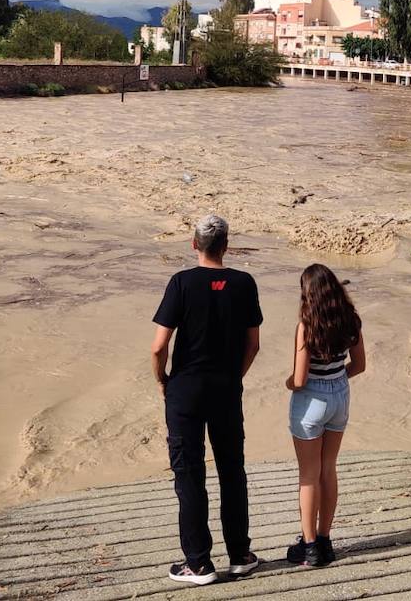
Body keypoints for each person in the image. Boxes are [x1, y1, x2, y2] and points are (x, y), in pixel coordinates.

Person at [150, 214, 263, 585]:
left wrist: (164, 382)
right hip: (226, 390)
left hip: (186, 390)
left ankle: (198, 563)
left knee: (190, 475)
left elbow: (158, 348)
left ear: (193, 244)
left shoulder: (181, 283)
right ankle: (240, 555)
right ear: (226, 245)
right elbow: (253, 345)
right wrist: (235, 377)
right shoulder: (244, 283)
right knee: (232, 471)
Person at [285, 264, 367, 569]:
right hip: (339, 397)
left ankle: (309, 548)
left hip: (311, 401)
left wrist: (287, 383)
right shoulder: (351, 320)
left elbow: (301, 377)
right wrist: (336, 378)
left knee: (308, 475)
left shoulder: (307, 325)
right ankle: (324, 540)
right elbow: (358, 365)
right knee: (328, 469)